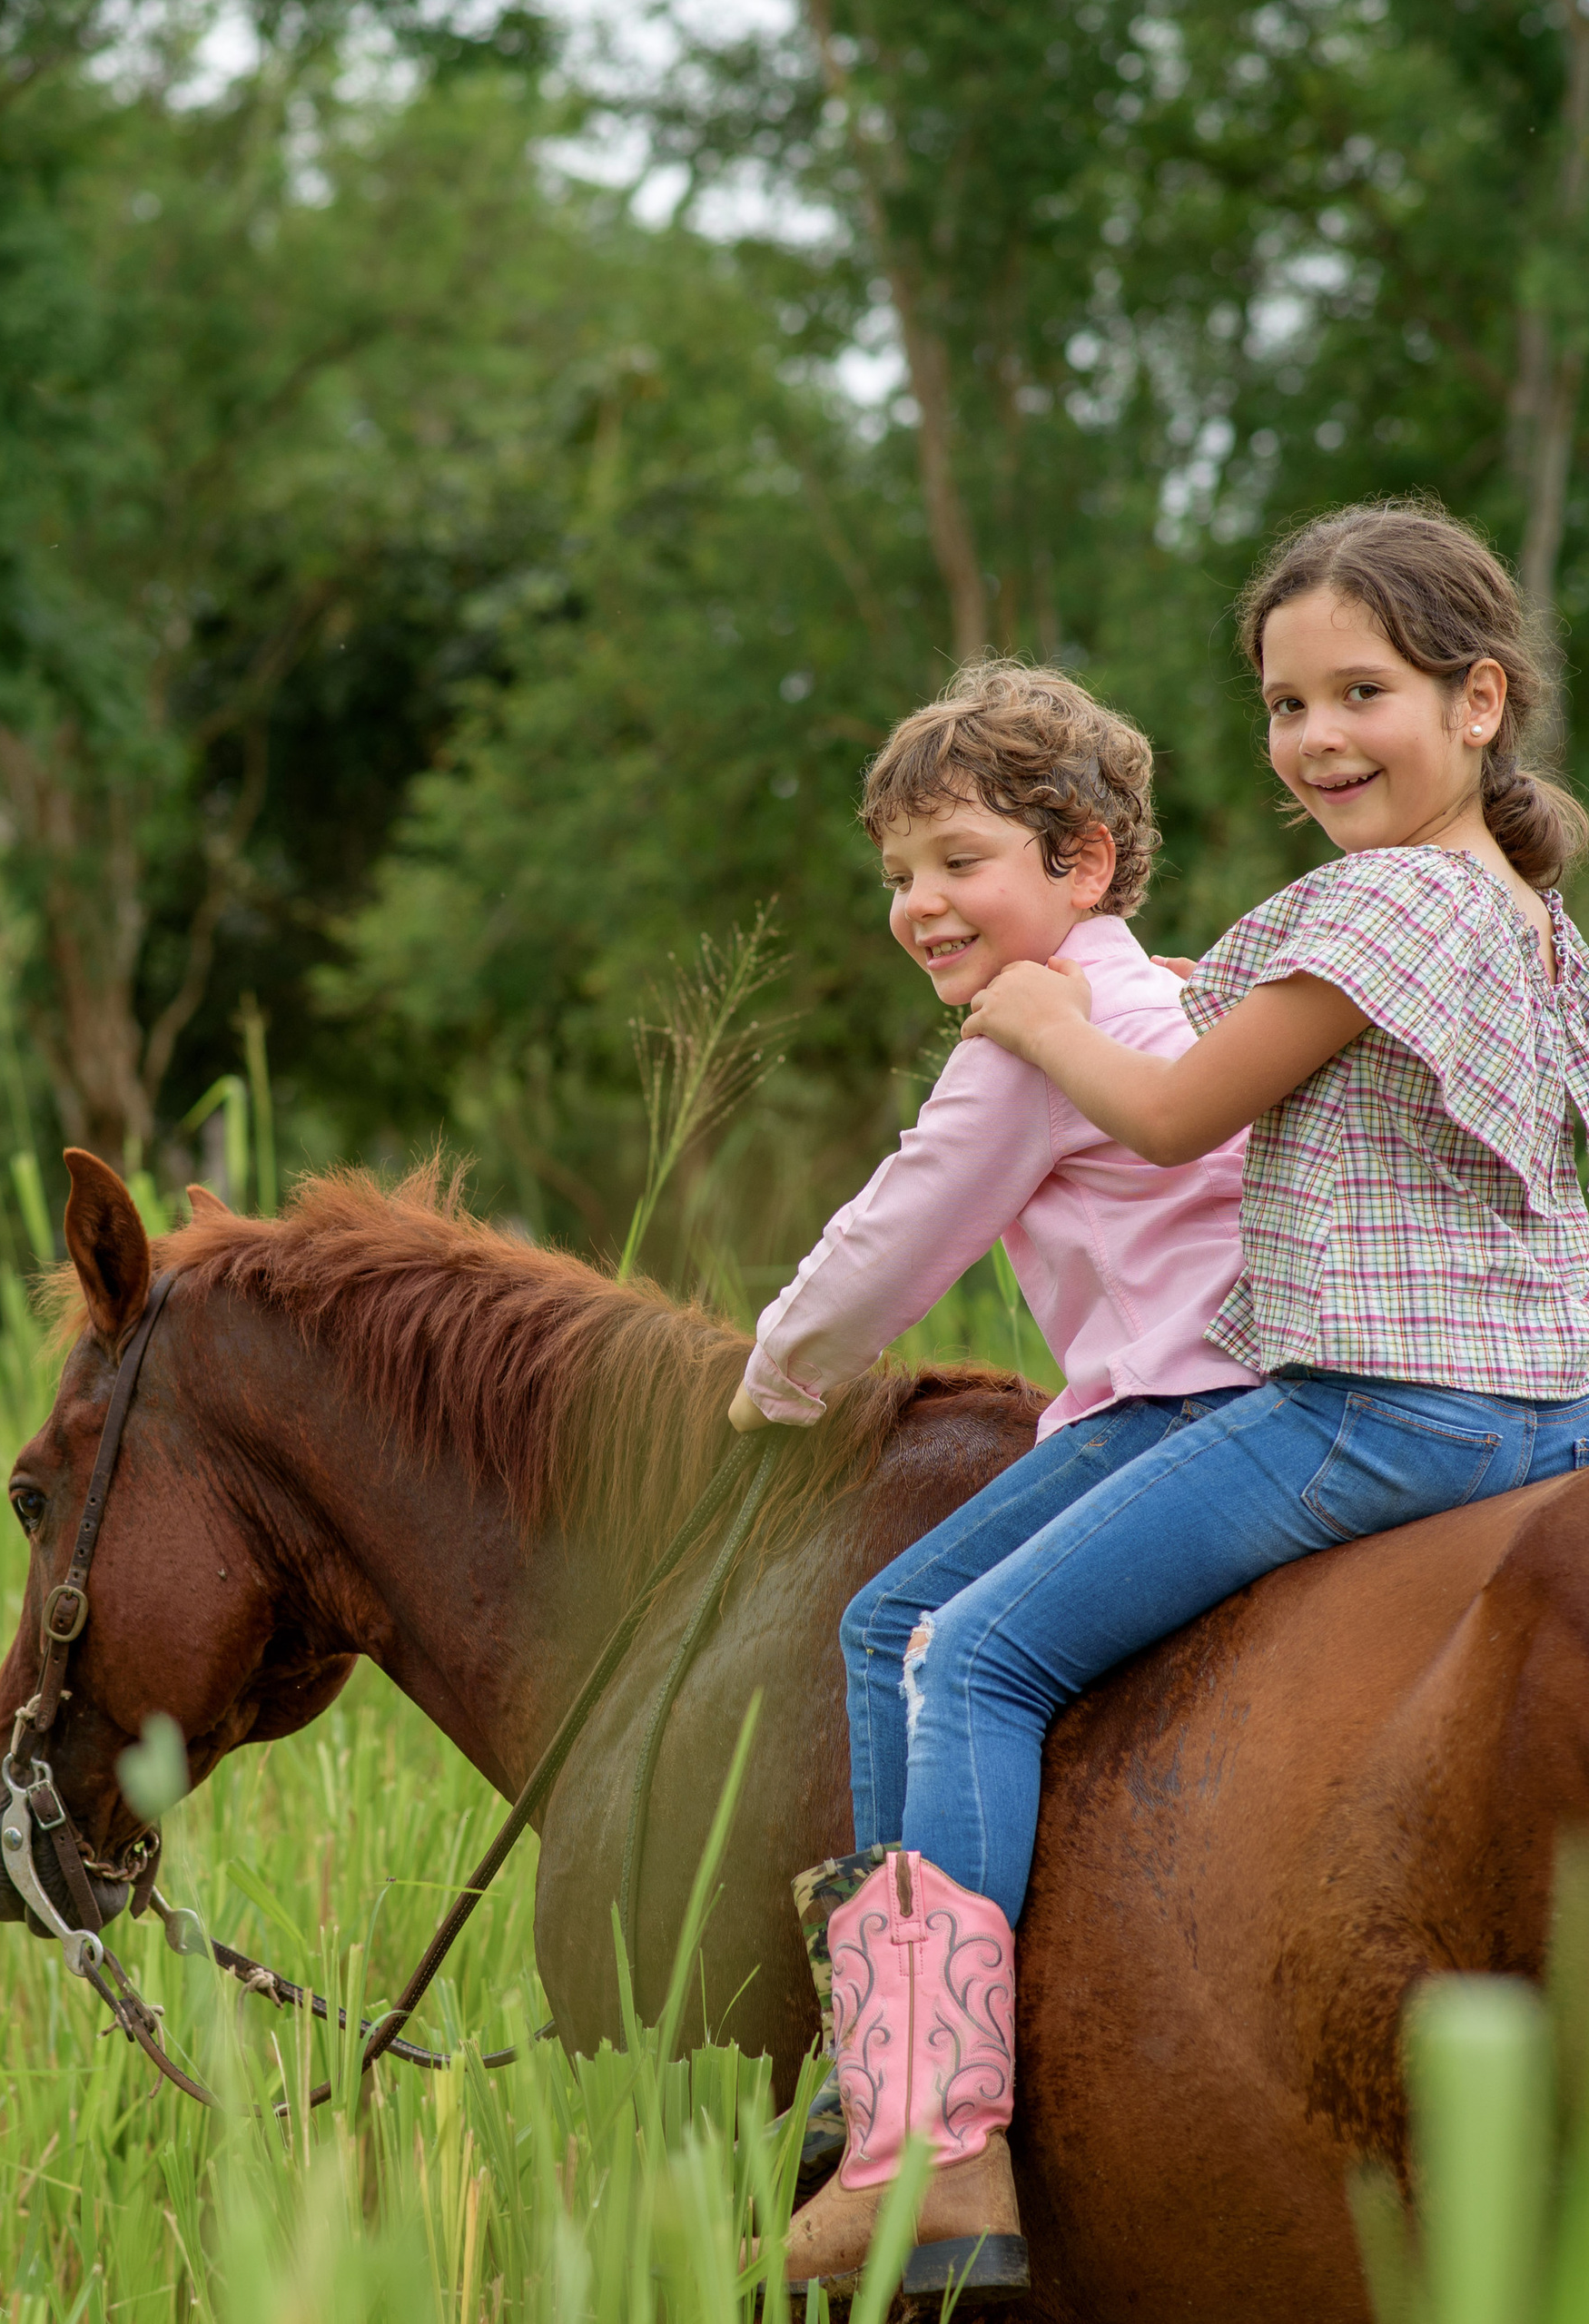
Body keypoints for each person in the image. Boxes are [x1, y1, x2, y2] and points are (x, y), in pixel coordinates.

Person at [774, 498, 1589, 2301]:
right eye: (1282, 704)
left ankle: (939, 2131)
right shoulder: (1524, 917)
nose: (1309, 737)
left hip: (1389, 1400)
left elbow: (1165, 1110)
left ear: (1474, 701)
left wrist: (1027, 1010)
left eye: (1354, 690)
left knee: (956, 1655)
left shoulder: (1377, 898)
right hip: (1555, 1401)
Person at [726, 661, 1256, 2299]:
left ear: (1080, 859)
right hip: (1249, 1381)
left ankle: (909, 2101)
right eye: (897, 874)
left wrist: (773, 1381)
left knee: (904, 1630)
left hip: (1171, 1398)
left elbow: (895, 1238)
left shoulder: (1036, 1031)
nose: (920, 904)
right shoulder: (1166, 993)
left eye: (959, 860)